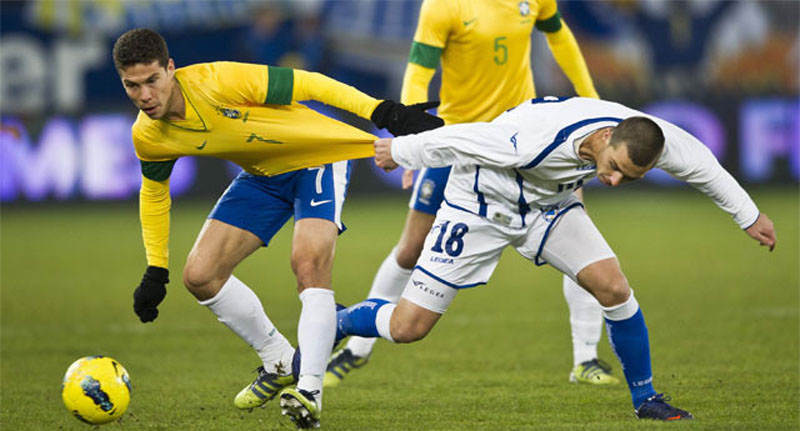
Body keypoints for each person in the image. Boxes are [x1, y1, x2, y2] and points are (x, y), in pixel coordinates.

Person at [336, 96, 777, 421]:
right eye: (614, 167)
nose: (616, 180)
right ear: (605, 138)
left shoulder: (645, 137)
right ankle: (336, 322)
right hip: (479, 208)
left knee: (614, 287)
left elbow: (701, 163)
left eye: (631, 176)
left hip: (549, 208)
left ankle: (646, 400)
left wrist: (749, 215)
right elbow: (465, 139)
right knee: (408, 327)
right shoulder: (530, 140)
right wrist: (400, 151)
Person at [112, 28, 442, 429]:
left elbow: (309, 83)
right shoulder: (148, 135)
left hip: (315, 157)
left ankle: (309, 390)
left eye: (152, 81)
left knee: (307, 264)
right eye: (132, 86)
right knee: (199, 276)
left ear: (171, 69)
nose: (145, 96)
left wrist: (383, 112)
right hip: (263, 176)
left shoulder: (218, 81)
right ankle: (279, 360)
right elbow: (154, 195)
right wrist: (156, 268)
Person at [325, 0, 619, 388]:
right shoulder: (443, 7)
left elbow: (559, 35)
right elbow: (419, 69)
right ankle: (356, 350)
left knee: (578, 235)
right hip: (456, 139)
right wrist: (411, 137)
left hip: (527, 141)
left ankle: (586, 359)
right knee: (411, 249)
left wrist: (589, 97)